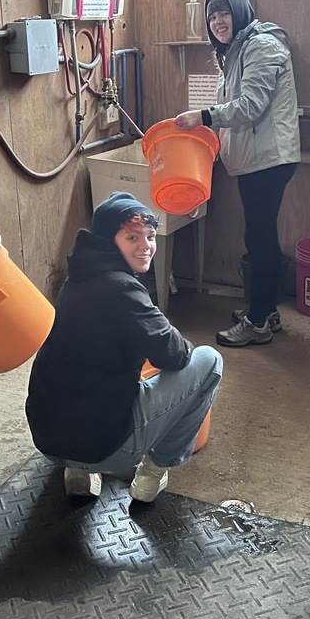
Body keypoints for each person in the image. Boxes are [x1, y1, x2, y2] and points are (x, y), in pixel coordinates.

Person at [26, 192, 223, 502]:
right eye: (132, 237)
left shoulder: (73, 281)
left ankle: (78, 474)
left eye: (150, 236)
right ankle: (151, 475)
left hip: (48, 439)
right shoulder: (122, 287)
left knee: (84, 373)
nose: (145, 245)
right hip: (106, 448)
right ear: (108, 240)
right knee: (208, 360)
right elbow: (173, 355)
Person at [173, 0, 300, 348]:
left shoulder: (260, 46)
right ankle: (266, 311)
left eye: (223, 13)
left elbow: (252, 106)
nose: (217, 21)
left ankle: (258, 322)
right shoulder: (235, 51)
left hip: (269, 158)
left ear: (240, 12)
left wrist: (203, 116)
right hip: (257, 157)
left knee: (259, 239)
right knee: (262, 237)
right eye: (212, 17)